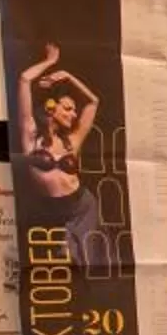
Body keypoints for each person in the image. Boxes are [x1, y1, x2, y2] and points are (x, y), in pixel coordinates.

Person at [15, 45, 108, 270]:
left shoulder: (72, 142)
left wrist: (68, 76)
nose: (73, 114)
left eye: (74, 110)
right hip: (48, 209)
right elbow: (24, 79)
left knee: (83, 263)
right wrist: (49, 62)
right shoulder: (31, 137)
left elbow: (93, 102)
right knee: (51, 266)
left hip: (81, 206)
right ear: (50, 108)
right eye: (67, 108)